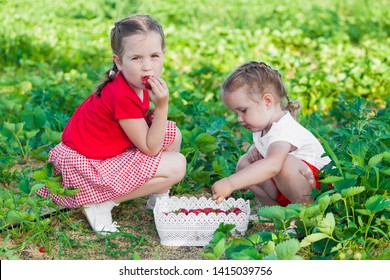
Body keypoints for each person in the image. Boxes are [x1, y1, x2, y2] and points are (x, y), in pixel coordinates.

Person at [37, 15, 186, 235]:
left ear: (163, 54)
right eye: (136, 58)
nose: (147, 66)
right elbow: (151, 148)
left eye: (154, 56)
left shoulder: (133, 82)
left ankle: (158, 201)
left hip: (103, 153)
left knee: (173, 135)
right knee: (177, 165)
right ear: (118, 61)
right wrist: (162, 107)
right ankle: (103, 201)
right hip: (88, 165)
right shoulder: (121, 95)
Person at [211, 61, 330, 207]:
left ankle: (306, 213)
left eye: (243, 110)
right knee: (244, 163)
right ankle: (276, 211)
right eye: (236, 113)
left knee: (283, 163)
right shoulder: (263, 127)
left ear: (267, 101)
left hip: (319, 188)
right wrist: (256, 150)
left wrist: (231, 183)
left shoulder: (284, 129)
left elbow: (273, 165)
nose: (239, 119)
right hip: (288, 186)